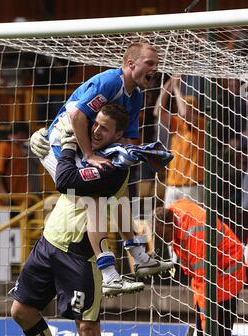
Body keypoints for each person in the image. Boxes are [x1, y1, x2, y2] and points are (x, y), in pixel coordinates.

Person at [10, 104, 154, 336]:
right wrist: (46, 144)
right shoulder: (88, 152)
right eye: (95, 124)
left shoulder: (114, 166)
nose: (96, 130)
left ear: (118, 134)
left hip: (80, 254)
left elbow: (65, 179)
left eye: (104, 128)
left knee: (87, 329)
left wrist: (69, 144)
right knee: (20, 311)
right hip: (49, 241)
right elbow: (61, 168)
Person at [30, 43, 172, 294]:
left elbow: (126, 137)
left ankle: (138, 255)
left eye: (156, 64)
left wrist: (130, 157)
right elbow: (76, 115)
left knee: (119, 186)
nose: (155, 68)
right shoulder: (109, 82)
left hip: (81, 148)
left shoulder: (136, 95)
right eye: (150, 63)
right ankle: (108, 274)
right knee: (95, 198)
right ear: (130, 64)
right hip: (60, 145)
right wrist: (90, 154)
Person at [154, 198, 246, 336]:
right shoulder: (173, 212)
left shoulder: (197, 237)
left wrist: (206, 322)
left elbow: (205, 286)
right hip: (209, 274)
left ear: (172, 225)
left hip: (228, 273)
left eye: (167, 236)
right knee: (203, 334)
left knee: (218, 332)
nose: (167, 241)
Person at [154, 76, 205, 207]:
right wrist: (168, 86)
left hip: (192, 185)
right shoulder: (177, 123)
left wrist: (176, 88)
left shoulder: (201, 124)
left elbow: (185, 115)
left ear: (195, 110)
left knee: (192, 226)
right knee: (169, 224)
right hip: (172, 184)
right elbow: (157, 111)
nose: (186, 109)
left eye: (189, 107)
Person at [0, 123, 30, 205]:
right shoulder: (4, 147)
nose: (26, 138)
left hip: (19, 199)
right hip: (6, 200)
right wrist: (4, 194)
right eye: (24, 135)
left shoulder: (19, 149)